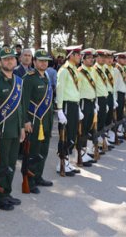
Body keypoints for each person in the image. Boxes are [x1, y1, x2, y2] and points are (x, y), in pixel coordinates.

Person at [0, 47, 25, 209]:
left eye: (12, 58)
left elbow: (20, 107)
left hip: (15, 130)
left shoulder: (18, 81)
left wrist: (21, 127)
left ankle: (7, 192)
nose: (9, 61)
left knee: (11, 164)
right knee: (2, 165)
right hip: (2, 132)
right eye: (5, 59)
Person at [22, 49, 55, 191]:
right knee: (33, 152)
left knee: (43, 151)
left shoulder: (46, 76)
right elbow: (23, 102)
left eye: (46, 61)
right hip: (34, 121)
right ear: (34, 62)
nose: (44, 63)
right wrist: (26, 121)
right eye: (41, 60)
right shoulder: (29, 78)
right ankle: (29, 180)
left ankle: (38, 176)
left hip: (46, 122)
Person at [56, 45, 83, 174]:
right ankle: (60, 164)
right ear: (71, 55)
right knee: (65, 135)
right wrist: (59, 109)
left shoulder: (74, 69)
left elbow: (75, 90)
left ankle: (67, 162)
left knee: (72, 134)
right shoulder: (64, 70)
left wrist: (78, 108)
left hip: (74, 105)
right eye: (78, 54)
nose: (80, 57)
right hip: (66, 105)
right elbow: (59, 90)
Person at [77, 48, 99, 166]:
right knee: (83, 129)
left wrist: (95, 103)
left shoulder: (92, 71)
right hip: (83, 102)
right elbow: (78, 90)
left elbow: (93, 88)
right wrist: (78, 108)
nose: (91, 60)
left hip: (91, 102)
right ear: (83, 59)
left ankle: (86, 151)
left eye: (92, 58)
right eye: (89, 58)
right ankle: (81, 154)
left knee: (89, 128)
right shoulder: (80, 71)